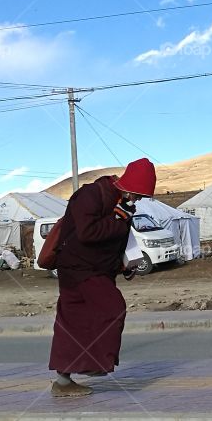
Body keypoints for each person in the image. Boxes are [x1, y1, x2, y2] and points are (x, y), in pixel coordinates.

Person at [48, 158, 157, 398]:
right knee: (113, 308)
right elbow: (88, 233)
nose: (138, 200)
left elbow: (116, 243)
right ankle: (94, 364)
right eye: (138, 195)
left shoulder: (123, 205)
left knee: (73, 323)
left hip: (95, 269)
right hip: (79, 269)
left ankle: (63, 381)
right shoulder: (91, 195)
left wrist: (125, 265)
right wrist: (117, 219)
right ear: (129, 187)